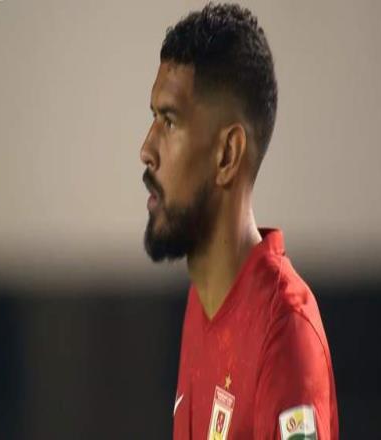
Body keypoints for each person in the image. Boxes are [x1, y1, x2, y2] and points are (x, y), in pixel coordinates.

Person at [139, 2, 339, 439]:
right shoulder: (201, 304)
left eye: (169, 121)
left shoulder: (285, 333)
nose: (146, 150)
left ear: (227, 155)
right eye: (153, 118)